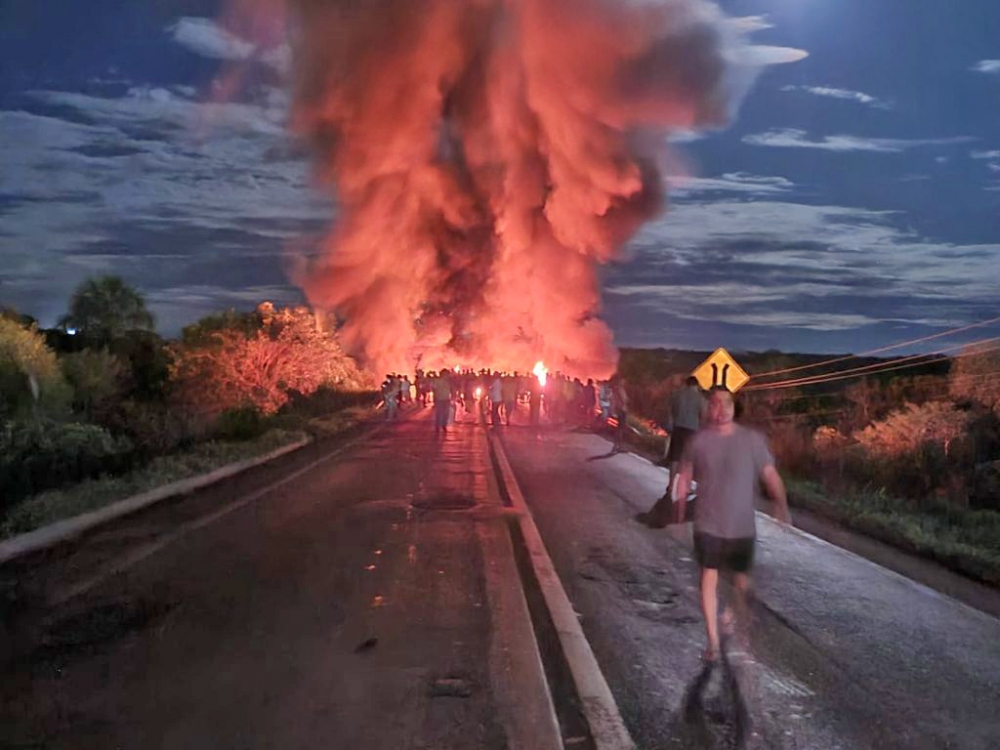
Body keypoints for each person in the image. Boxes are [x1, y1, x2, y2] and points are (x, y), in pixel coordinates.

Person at [674, 387, 790, 662]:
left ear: (733, 407)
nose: (721, 409)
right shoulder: (699, 441)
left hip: (741, 527)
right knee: (708, 577)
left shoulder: (751, 440)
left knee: (742, 584)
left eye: (726, 403)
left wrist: (781, 504)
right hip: (707, 523)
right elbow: (686, 471)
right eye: (715, 403)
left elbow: (769, 473)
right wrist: (679, 504)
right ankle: (713, 643)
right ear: (708, 409)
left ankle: (732, 614)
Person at [666, 376, 705, 486]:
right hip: (692, 431)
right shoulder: (699, 398)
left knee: (675, 458)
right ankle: (686, 486)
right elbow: (703, 415)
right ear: (696, 385)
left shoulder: (677, 394)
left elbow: (670, 410)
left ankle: (670, 485)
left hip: (678, 428)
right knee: (688, 461)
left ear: (687, 384)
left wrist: (671, 423)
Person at [609, 375, 629, 452]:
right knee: (621, 429)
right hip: (622, 410)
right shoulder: (619, 389)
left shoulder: (616, 389)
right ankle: (619, 446)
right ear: (620, 381)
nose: (624, 382)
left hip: (620, 410)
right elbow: (624, 400)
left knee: (619, 429)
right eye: (623, 380)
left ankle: (617, 446)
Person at [431, 369, 453, 436]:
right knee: (439, 413)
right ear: (443, 374)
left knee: (446, 413)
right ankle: (438, 426)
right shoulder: (437, 381)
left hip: (446, 399)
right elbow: (433, 389)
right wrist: (435, 398)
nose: (448, 375)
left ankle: (444, 425)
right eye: (447, 374)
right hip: (439, 399)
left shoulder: (448, 382)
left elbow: (450, 390)